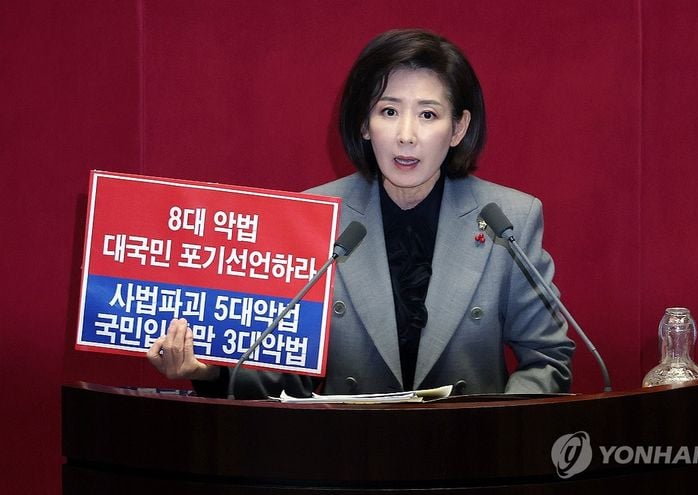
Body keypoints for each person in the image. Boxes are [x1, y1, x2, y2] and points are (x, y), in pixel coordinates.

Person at [148, 29, 575, 398]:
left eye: (428, 115)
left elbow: (548, 359)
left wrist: (497, 432)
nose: (406, 135)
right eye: (389, 111)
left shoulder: (509, 218)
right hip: (348, 453)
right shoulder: (316, 216)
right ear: (364, 124)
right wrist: (208, 370)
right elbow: (283, 376)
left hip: (469, 453)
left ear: (458, 128)